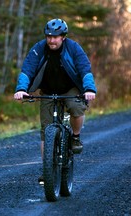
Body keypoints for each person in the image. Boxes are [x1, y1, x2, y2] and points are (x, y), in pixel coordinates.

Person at [14, 18, 96, 182]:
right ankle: (48, 170)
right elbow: (27, 69)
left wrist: (89, 89)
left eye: (55, 37)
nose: (51, 40)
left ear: (63, 37)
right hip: (48, 90)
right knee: (46, 131)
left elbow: (84, 69)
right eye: (49, 36)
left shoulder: (73, 48)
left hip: (70, 88)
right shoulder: (39, 48)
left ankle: (75, 137)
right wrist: (21, 89)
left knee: (76, 107)